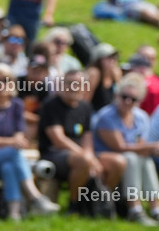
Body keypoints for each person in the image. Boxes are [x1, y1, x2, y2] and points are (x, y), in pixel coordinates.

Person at [0, 63, 61, 220]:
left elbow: (19, 137)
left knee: (9, 167)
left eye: (6, 80)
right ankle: (35, 198)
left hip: (0, 157)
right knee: (13, 152)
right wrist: (9, 143)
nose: (1, 85)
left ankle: (14, 214)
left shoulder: (16, 105)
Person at [92, 73, 159, 225]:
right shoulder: (106, 116)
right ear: (117, 95)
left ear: (139, 101)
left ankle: (156, 210)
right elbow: (120, 147)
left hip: (126, 157)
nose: (127, 101)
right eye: (124, 96)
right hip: (104, 156)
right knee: (131, 158)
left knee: (145, 159)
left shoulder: (141, 117)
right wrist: (154, 146)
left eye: (133, 99)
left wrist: (156, 149)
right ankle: (134, 209)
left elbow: (140, 147)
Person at [37, 68, 113, 214]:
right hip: (53, 154)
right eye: (69, 83)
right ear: (62, 85)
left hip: (79, 155)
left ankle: (99, 203)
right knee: (83, 160)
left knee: (117, 162)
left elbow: (87, 138)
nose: (73, 87)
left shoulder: (85, 107)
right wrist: (89, 159)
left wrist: (90, 156)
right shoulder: (51, 105)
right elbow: (58, 140)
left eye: (78, 84)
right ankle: (74, 205)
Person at [84, 42, 121, 111]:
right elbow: (85, 100)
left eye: (114, 57)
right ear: (99, 60)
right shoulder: (94, 73)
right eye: (109, 57)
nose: (113, 60)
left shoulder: (116, 73)